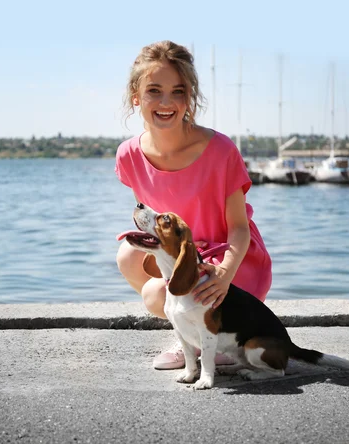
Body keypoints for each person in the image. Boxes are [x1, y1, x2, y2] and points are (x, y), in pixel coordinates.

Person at [115, 40, 272, 370]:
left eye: (178, 91)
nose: (166, 102)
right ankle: (190, 335)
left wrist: (225, 275)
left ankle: (219, 333)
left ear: (190, 95)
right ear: (135, 96)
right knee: (130, 257)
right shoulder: (128, 155)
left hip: (231, 259)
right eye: (154, 91)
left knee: (160, 292)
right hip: (186, 255)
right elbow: (157, 227)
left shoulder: (220, 150)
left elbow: (239, 228)